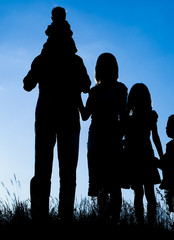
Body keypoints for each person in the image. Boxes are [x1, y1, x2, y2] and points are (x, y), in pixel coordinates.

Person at [23, 6, 91, 222]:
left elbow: (27, 84)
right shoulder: (75, 61)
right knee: (67, 172)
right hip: (67, 117)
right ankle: (64, 217)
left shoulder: (43, 59)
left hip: (46, 116)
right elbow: (86, 85)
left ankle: (40, 216)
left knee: (44, 168)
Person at [79, 52, 128, 223]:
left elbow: (85, 115)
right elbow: (86, 115)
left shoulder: (115, 89)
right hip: (103, 138)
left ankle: (109, 218)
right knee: (108, 183)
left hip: (105, 138)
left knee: (109, 183)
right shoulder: (118, 89)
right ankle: (109, 218)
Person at [125, 83, 163, 225]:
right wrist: (161, 155)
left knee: (139, 193)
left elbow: (155, 137)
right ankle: (149, 223)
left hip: (135, 156)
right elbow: (155, 137)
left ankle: (141, 222)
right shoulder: (150, 115)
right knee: (149, 193)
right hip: (146, 154)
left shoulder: (130, 118)